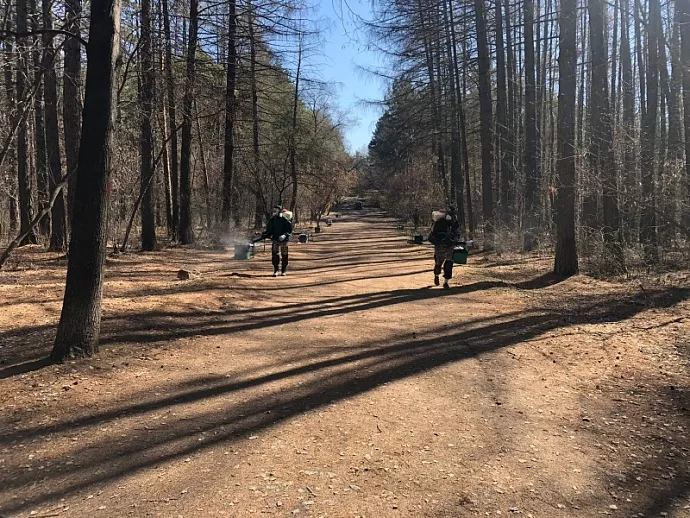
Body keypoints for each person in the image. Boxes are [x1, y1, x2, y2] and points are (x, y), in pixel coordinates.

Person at [256, 205, 293, 276]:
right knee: (275, 255)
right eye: (274, 210)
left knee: (284, 255)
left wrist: (284, 235)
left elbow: (289, 230)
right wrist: (261, 234)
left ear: (280, 211)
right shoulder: (272, 220)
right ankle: (276, 270)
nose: (274, 212)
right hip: (275, 240)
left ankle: (283, 270)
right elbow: (269, 231)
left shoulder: (285, 220)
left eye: (276, 210)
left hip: (284, 241)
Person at [428, 207, 460, 289]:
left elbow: (457, 232)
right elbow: (434, 234)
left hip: (450, 245)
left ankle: (446, 282)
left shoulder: (454, 223)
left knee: (449, 262)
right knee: (438, 263)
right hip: (440, 245)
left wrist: (455, 240)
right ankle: (436, 275)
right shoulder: (439, 222)